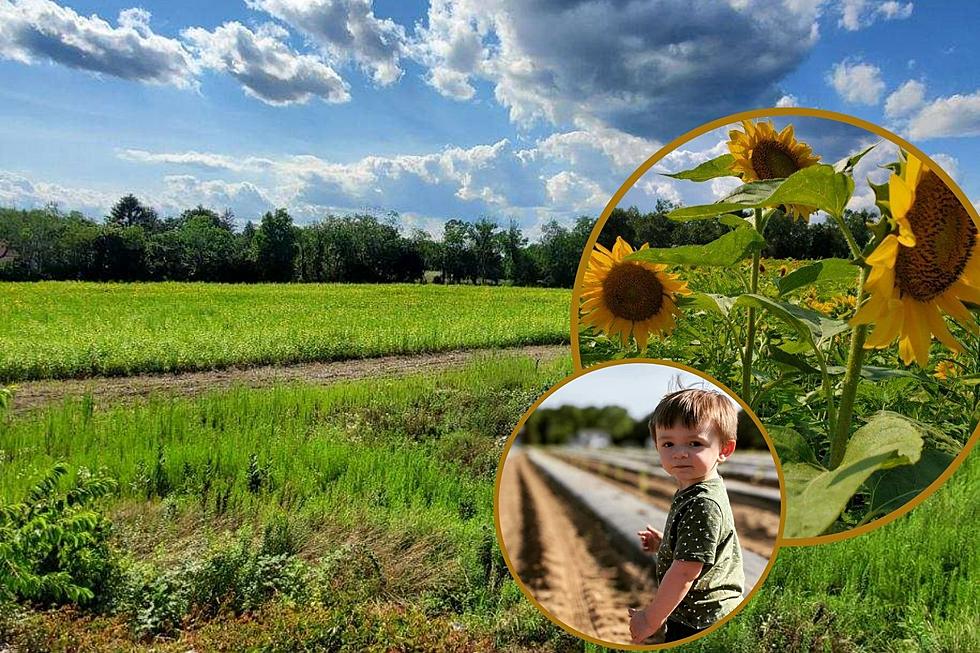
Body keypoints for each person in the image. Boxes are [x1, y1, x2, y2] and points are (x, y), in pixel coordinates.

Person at [627, 388, 744, 644]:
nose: (679, 452)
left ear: (725, 449)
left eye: (695, 443)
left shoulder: (703, 503)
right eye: (668, 444)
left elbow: (685, 572)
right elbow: (698, 549)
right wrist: (665, 543)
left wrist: (649, 620)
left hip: (702, 620)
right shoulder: (694, 489)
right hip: (699, 613)